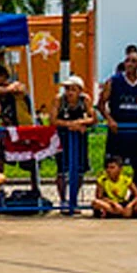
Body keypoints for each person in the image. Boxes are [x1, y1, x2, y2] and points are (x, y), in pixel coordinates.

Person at [98, 49, 137, 192]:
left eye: (133, 61)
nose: (130, 64)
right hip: (119, 129)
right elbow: (101, 104)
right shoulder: (114, 81)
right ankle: (111, 195)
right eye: (127, 61)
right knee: (113, 165)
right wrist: (109, 119)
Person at [54, 75, 94, 215]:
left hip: (80, 138)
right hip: (62, 138)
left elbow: (93, 118)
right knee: (62, 170)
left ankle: (74, 199)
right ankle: (63, 200)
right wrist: (69, 125)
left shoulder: (85, 100)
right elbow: (53, 119)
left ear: (79, 90)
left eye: (73, 89)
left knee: (80, 169)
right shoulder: (59, 100)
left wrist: (80, 123)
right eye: (67, 89)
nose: (69, 92)